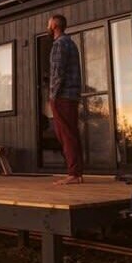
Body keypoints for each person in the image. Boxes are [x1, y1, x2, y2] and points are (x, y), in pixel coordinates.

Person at [47, 14, 83, 185]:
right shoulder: (71, 43)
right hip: (71, 95)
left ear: (54, 25)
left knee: (66, 135)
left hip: (62, 96)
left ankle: (73, 174)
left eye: (49, 22)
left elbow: (58, 72)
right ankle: (76, 172)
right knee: (71, 133)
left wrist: (52, 96)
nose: (47, 24)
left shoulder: (60, 44)